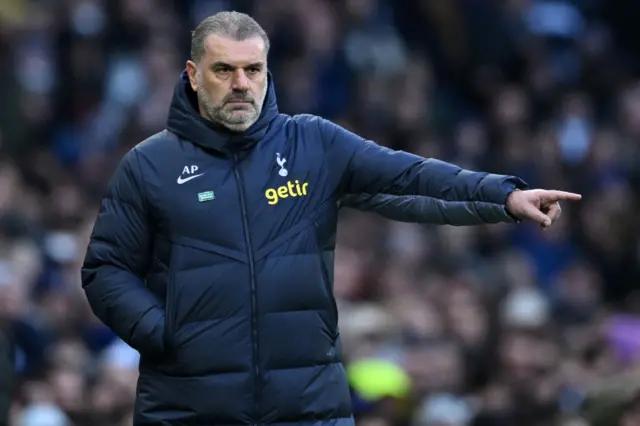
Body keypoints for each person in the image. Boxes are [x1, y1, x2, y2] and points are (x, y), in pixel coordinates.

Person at [81, 11, 581, 426]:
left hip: (307, 408)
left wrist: (504, 195)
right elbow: (105, 270)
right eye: (224, 70)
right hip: (189, 410)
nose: (241, 85)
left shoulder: (313, 143)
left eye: (253, 70)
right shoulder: (150, 165)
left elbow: (407, 176)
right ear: (192, 74)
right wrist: (166, 334)